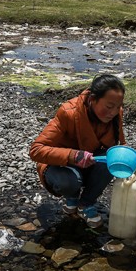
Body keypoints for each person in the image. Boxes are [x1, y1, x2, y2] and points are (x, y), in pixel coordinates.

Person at [29, 74, 127, 228]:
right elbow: (36, 150)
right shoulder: (68, 112)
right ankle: (72, 198)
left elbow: (119, 145)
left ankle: (85, 204)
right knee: (69, 183)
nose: (114, 112)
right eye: (109, 106)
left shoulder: (115, 114)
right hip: (60, 165)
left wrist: (129, 159)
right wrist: (73, 155)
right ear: (93, 99)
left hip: (89, 161)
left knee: (111, 160)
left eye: (118, 106)